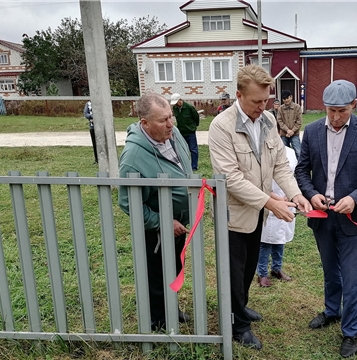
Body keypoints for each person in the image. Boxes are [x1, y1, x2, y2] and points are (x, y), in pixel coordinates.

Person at [208, 64, 312, 350]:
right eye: (256, 101)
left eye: (266, 100)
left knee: (249, 267)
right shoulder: (221, 126)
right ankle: (238, 326)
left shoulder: (267, 120)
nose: (262, 106)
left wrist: (296, 194)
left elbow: (280, 164)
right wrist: (270, 201)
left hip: (258, 213)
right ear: (239, 95)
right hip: (233, 216)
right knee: (234, 272)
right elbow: (230, 178)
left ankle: (240, 308)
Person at [294, 80, 357, 358]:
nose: (335, 118)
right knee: (329, 269)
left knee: (351, 277)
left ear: (353, 106)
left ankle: (350, 332)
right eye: (331, 111)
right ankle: (332, 311)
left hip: (352, 218)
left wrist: (356, 198)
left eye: (342, 111)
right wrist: (311, 194)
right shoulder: (311, 131)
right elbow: (302, 170)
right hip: (322, 216)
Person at [118, 92, 192, 331]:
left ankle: (170, 308)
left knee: (174, 268)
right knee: (158, 274)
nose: (171, 124)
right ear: (145, 124)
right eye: (163, 120)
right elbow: (128, 202)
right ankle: (159, 322)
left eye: (171, 117)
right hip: (158, 229)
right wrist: (161, 222)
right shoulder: (133, 157)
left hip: (179, 224)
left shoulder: (174, 134)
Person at [256, 146, 297, 287]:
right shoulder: (260, 151)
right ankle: (262, 273)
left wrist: (290, 194)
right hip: (268, 200)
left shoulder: (290, 152)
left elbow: (294, 175)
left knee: (281, 239)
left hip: (287, 200)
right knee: (266, 241)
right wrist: (276, 200)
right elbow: (258, 183)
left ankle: (276, 268)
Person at [170, 93, 200, 171]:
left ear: (180, 100)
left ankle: (194, 166)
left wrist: (193, 127)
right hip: (181, 132)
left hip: (190, 132)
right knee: (181, 149)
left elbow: (196, 117)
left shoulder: (189, 107)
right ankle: (183, 165)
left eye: (177, 102)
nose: (176, 104)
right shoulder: (175, 108)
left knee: (193, 149)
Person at [277, 90, 302, 160]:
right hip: (284, 134)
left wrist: (292, 131)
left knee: (298, 152)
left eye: (287, 98)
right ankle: (287, 168)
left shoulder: (297, 107)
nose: (286, 100)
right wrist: (287, 130)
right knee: (284, 152)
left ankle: (300, 169)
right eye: (284, 99)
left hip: (294, 134)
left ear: (291, 97)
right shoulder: (280, 109)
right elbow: (279, 121)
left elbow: (299, 121)